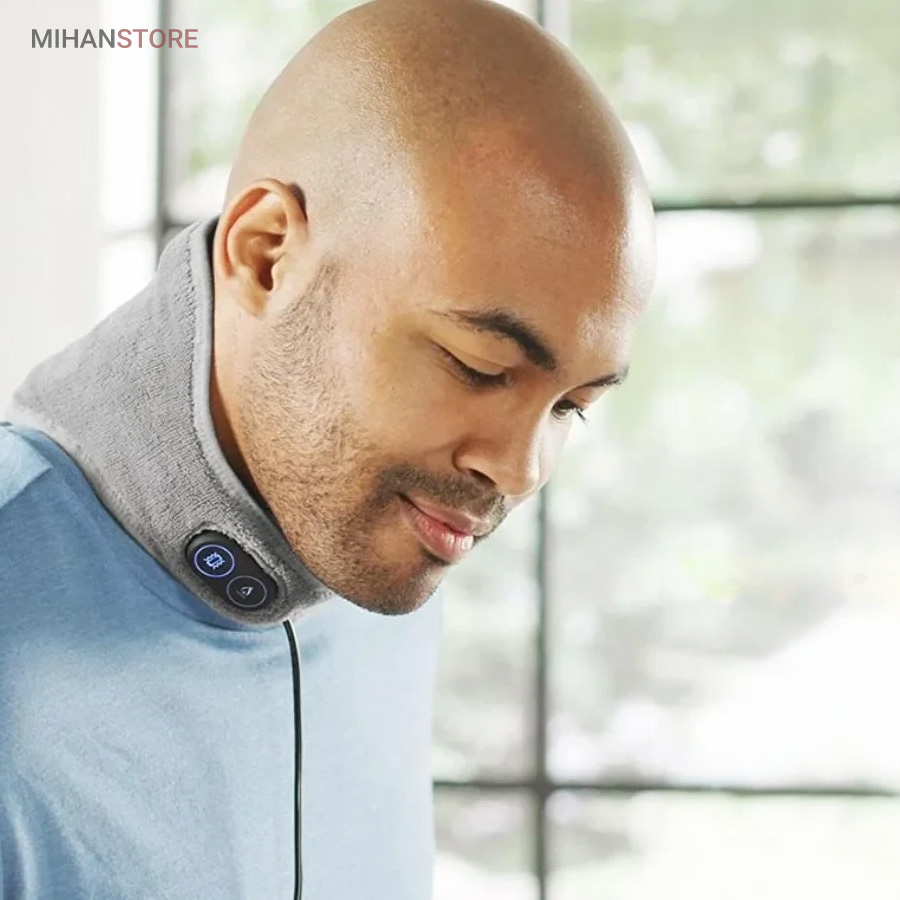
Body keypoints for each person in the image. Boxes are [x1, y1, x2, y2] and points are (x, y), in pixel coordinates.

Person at [0, 0, 655, 897]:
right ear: (267, 254)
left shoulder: (383, 547)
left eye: (573, 407)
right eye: (479, 366)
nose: (520, 470)